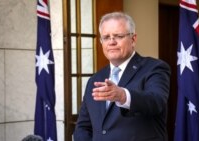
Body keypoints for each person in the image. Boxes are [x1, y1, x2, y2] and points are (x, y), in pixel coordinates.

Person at [73, 11, 171, 141]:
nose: (111, 42)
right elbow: (83, 127)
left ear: (133, 39)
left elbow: (156, 102)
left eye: (118, 36)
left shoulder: (154, 68)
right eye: (106, 37)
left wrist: (123, 96)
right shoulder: (95, 80)